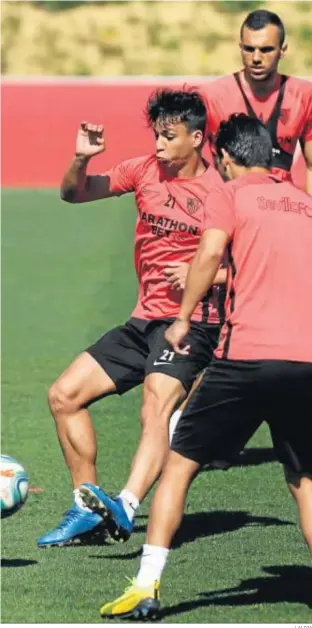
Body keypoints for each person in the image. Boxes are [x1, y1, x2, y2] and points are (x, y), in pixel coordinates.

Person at [96, 114, 312, 620]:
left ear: (229, 160)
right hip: (306, 362)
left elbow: (210, 250)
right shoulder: (306, 205)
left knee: (178, 465)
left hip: (245, 359)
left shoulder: (230, 194)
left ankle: (145, 588)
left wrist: (183, 318)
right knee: (305, 480)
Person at [37, 89, 226, 548]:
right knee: (64, 395)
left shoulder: (221, 191)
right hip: (142, 321)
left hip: (191, 323)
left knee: (154, 408)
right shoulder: (143, 170)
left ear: (197, 138)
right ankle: (86, 508)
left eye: (169, 136)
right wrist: (81, 160)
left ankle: (126, 505)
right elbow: (73, 194)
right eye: (156, 135)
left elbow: (255, 263)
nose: (159, 145)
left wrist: (207, 274)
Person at [169, 7, 312, 453]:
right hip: (228, 214)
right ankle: (192, 415)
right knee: (216, 315)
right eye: (248, 48)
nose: (256, 57)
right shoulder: (213, 95)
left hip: (282, 219)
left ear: (283, 49)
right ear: (239, 46)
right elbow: (188, 148)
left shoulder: (304, 95)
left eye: (266, 49)